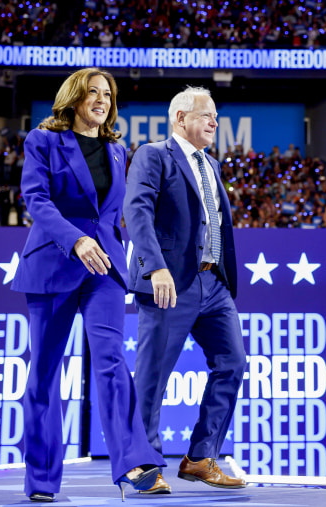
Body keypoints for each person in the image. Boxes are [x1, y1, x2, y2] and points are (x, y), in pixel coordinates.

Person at [11, 67, 164, 502]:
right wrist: (74, 239)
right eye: (94, 92)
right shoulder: (42, 140)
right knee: (44, 372)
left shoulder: (117, 149)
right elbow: (36, 199)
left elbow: (116, 213)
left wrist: (145, 260)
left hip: (105, 268)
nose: (102, 100)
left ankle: (135, 464)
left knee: (112, 360)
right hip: (54, 262)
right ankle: (41, 479)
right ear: (74, 97)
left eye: (108, 95)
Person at [124, 86, 246, 489]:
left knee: (233, 363)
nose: (214, 122)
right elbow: (137, 211)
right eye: (206, 115)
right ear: (180, 118)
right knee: (153, 374)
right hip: (169, 282)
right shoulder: (153, 155)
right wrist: (154, 267)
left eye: (215, 116)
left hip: (213, 283)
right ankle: (142, 465)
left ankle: (201, 456)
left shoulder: (211, 164)